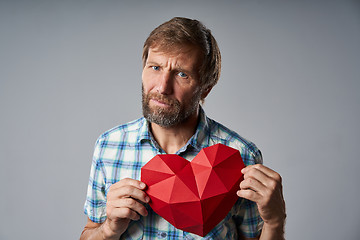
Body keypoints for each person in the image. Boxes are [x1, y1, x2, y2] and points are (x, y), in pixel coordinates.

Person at [80, 17, 286, 240]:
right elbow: (89, 233)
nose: (162, 87)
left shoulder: (241, 156)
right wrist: (109, 228)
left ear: (205, 88)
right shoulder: (109, 145)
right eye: (155, 67)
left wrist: (275, 221)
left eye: (181, 74)